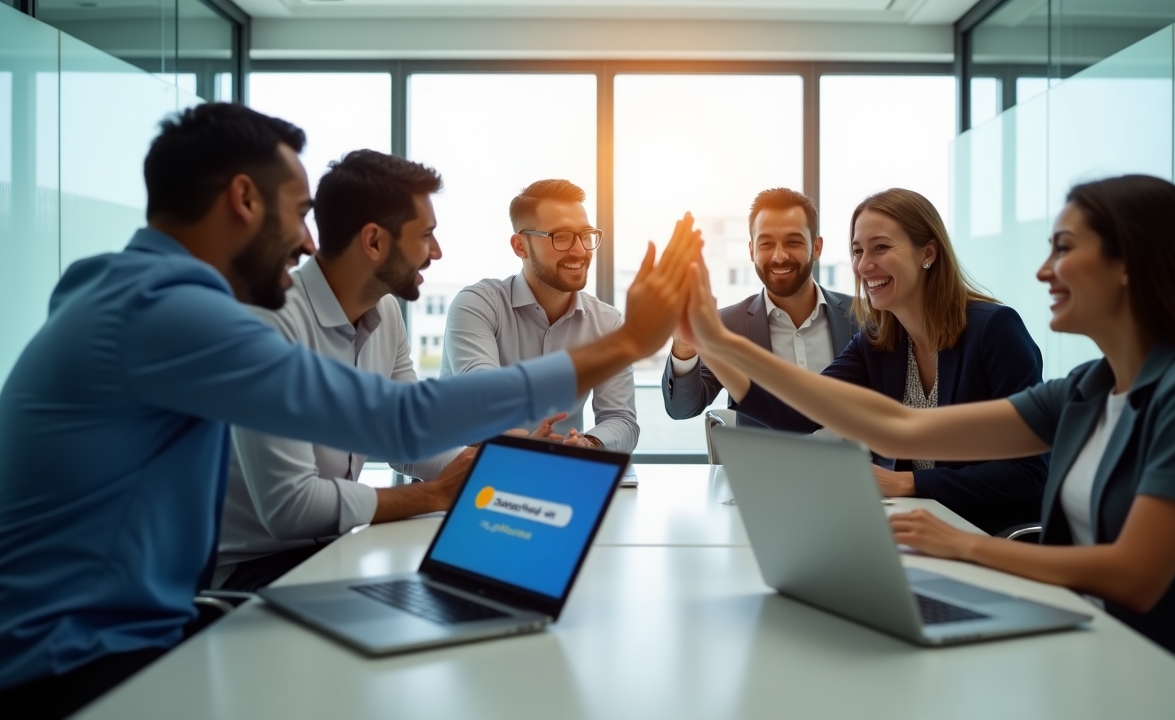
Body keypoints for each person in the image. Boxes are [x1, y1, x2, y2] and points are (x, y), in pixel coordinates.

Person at [0, 103, 702, 719]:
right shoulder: (169, 311)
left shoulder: (126, 288)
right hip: (75, 667)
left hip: (133, 632)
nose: (310, 239)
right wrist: (628, 344)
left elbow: (402, 425)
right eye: (300, 212)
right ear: (243, 199)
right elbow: (397, 422)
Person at [682, 174, 1175, 697]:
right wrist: (720, 341)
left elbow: (1136, 575)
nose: (1044, 270)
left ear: (1129, 264)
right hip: (1095, 642)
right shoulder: (1085, 390)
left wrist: (962, 545)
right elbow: (897, 424)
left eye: (1064, 249)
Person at [216, 150, 478, 592]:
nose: (436, 252)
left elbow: (406, 437)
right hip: (253, 572)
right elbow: (291, 509)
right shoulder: (271, 320)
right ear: (374, 242)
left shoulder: (386, 312)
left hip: (335, 550)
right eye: (426, 236)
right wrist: (433, 495)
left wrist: (481, 466)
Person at [727, 189, 1048, 534]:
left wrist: (907, 483)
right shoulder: (878, 339)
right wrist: (713, 346)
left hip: (992, 535)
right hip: (916, 528)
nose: (864, 265)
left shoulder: (994, 330)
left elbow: (1028, 472)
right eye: (857, 251)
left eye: (880, 247)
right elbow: (805, 409)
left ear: (928, 252)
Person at [442, 179, 638, 451]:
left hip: (557, 477)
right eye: (561, 237)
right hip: (467, 474)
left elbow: (621, 419)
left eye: (585, 235)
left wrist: (590, 444)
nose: (580, 250)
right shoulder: (477, 305)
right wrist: (524, 446)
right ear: (520, 246)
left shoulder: (607, 322)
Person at [661, 187, 855, 427]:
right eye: (766, 244)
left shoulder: (862, 317)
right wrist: (685, 348)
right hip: (761, 465)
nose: (779, 256)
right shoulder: (728, 325)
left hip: (853, 464)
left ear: (817, 247)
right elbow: (682, 408)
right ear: (752, 250)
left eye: (793, 242)